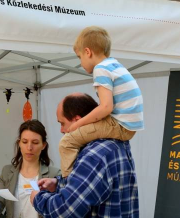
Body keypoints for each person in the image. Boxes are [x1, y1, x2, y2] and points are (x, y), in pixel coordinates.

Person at [59, 26, 144, 187]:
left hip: (119, 125)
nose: (80, 63)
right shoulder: (114, 65)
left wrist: (78, 124)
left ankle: (68, 185)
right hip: (128, 125)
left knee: (67, 142)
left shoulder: (100, 69)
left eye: (79, 57)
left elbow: (105, 107)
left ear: (88, 52)